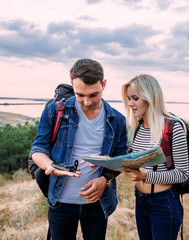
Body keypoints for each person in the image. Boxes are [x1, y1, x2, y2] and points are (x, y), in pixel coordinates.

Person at [30, 58, 127, 240]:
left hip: (97, 204)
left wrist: (105, 179)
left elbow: (121, 158)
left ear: (104, 84)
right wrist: (50, 165)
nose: (87, 102)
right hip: (61, 202)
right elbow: (37, 149)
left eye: (93, 95)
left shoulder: (118, 120)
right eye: (80, 95)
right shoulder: (54, 111)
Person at [120, 74, 189, 240]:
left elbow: (182, 174)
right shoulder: (137, 127)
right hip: (140, 200)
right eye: (129, 98)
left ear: (150, 97)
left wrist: (145, 176)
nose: (130, 103)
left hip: (163, 203)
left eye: (135, 98)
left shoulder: (173, 128)